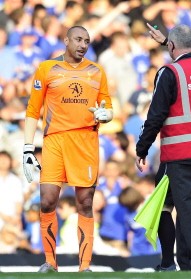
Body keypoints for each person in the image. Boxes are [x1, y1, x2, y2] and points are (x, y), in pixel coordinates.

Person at [22, 26, 113, 273]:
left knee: (85, 202)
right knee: (48, 201)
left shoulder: (97, 71)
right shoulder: (46, 69)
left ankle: (85, 267)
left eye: (87, 40)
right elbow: (33, 110)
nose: (82, 44)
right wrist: (28, 149)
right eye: (78, 39)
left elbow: (107, 107)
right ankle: (50, 263)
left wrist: (107, 115)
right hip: (54, 141)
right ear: (66, 40)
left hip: (85, 142)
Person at [136, 24, 191, 270]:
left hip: (181, 152)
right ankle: (187, 263)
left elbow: (156, 115)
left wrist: (142, 148)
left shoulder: (170, 72)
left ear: (171, 46)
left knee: (185, 209)